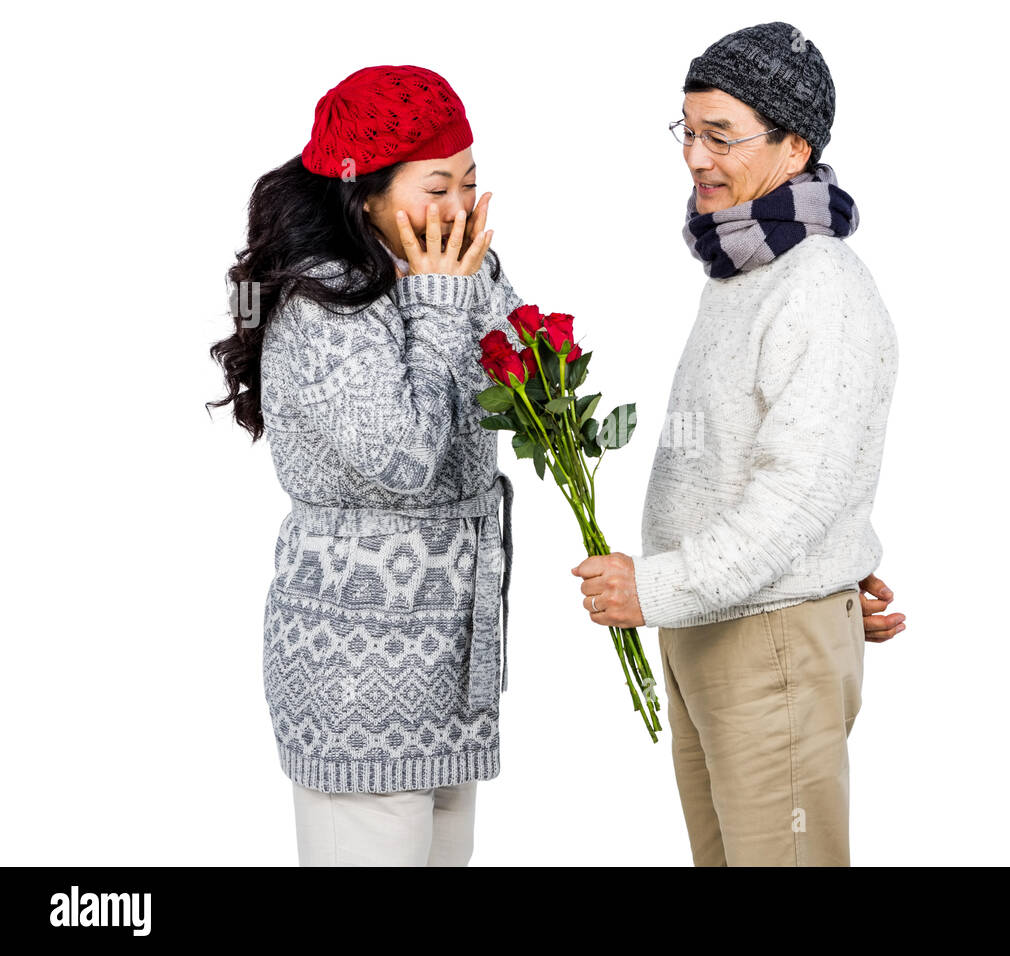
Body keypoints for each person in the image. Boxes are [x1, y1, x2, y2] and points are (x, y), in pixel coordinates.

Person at [570, 22, 904, 866]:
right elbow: (766, 460)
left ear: (796, 147)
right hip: (714, 628)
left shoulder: (818, 285)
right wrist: (836, 555)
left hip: (766, 641)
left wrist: (656, 586)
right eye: (688, 129)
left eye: (722, 135)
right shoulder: (744, 270)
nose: (694, 157)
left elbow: (794, 495)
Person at [207, 65, 526, 866]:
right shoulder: (324, 302)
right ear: (367, 195)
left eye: (471, 183)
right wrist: (448, 303)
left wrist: (469, 297)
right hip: (355, 677)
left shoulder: (447, 274)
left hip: (452, 672)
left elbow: (528, 386)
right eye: (436, 187)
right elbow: (408, 460)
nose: (458, 210)